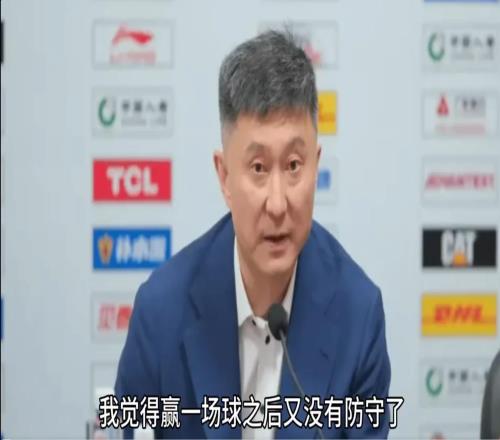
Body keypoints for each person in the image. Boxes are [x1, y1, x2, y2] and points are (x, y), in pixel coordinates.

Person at [114, 30, 391, 439]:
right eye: (258, 169)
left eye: (293, 166)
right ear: (224, 176)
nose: (277, 204)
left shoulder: (358, 315)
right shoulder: (161, 311)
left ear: (316, 167)